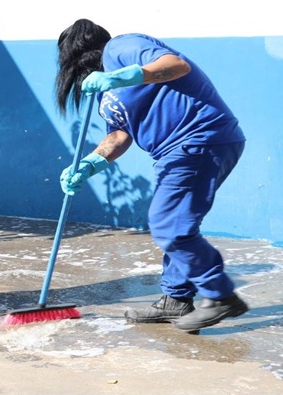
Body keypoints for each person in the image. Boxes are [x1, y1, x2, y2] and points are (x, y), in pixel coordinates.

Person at [55, 19, 248, 332]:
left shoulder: (122, 46)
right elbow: (119, 136)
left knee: (168, 224)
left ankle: (221, 295)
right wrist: (89, 164)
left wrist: (124, 75)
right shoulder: (107, 93)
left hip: (199, 137)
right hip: (176, 150)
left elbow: (176, 65)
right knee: (179, 224)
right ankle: (175, 300)